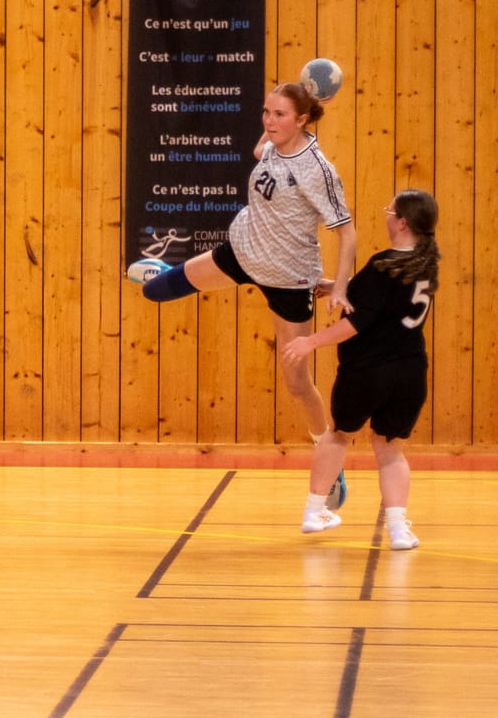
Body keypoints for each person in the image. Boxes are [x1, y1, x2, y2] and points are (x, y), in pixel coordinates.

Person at [128, 82, 358, 475]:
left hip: (288, 279)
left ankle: (328, 457)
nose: (269, 120)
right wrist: (284, 114)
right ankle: (175, 273)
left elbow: (347, 233)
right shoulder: (271, 146)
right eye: (266, 112)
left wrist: (340, 286)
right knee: (154, 291)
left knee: (296, 383)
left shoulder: (317, 170)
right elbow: (259, 150)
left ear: (302, 119)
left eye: (279, 114)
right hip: (242, 252)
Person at [281, 190, 439, 549]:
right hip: (410, 373)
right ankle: (398, 530)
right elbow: (386, 293)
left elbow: (355, 323)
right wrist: (338, 286)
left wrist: (310, 342)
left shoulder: (382, 264)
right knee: (390, 449)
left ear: (402, 222)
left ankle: (315, 511)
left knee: (338, 435)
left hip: (366, 371)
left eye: (389, 211)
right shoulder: (426, 262)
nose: (386, 215)